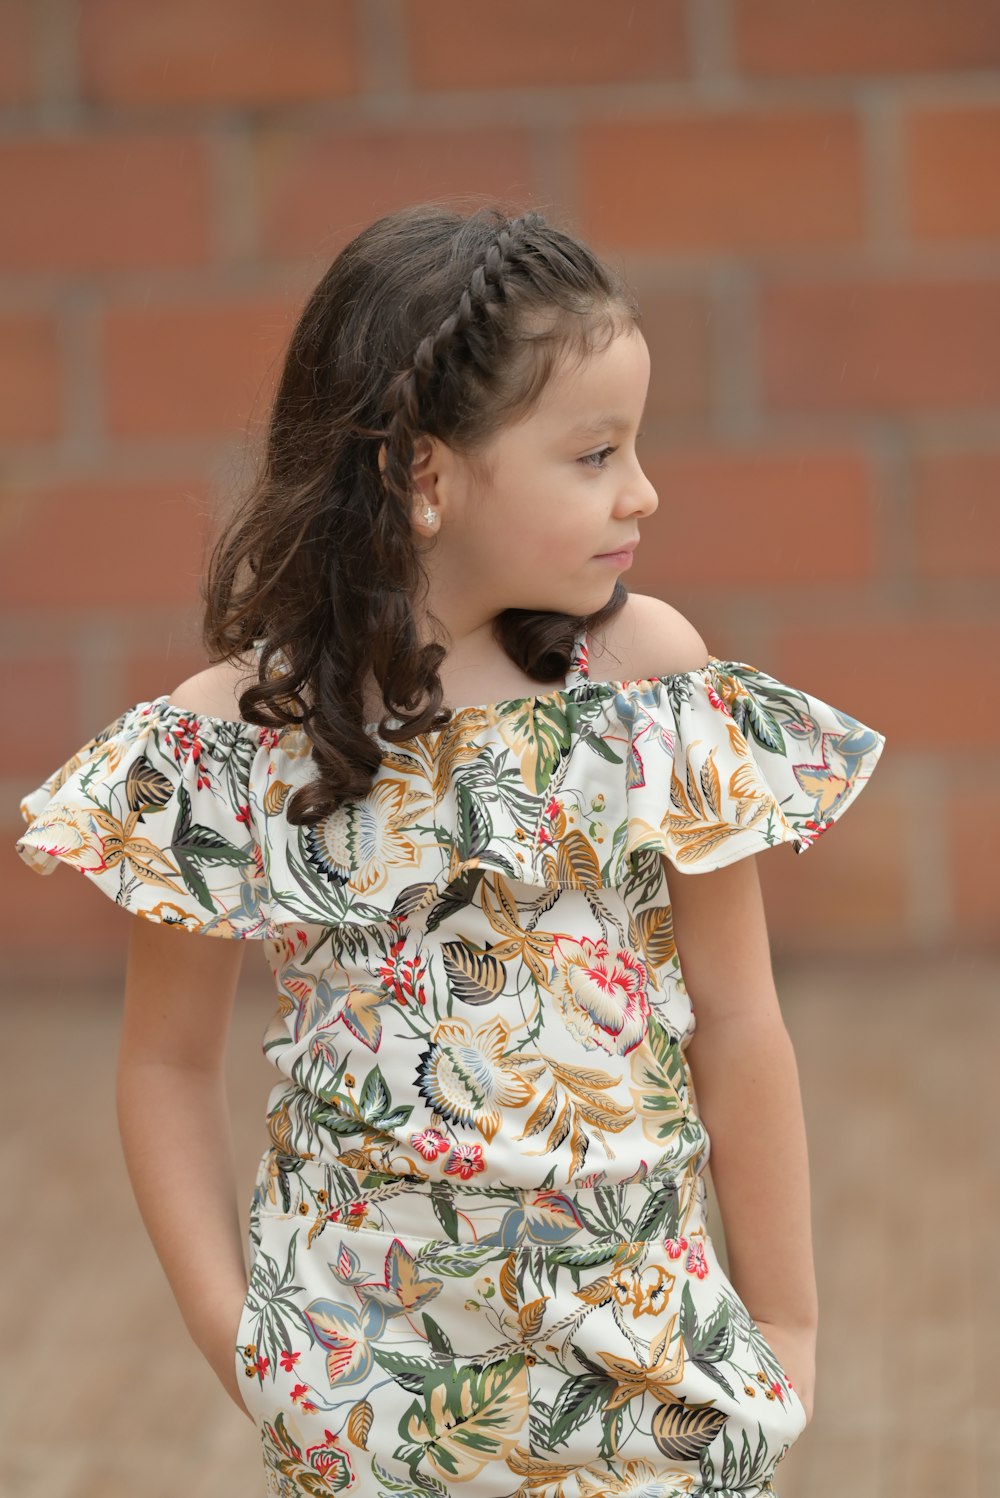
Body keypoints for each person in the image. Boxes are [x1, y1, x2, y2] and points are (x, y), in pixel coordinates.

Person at [15, 202, 885, 1498]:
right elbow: (164, 1063)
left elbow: (740, 1018)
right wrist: (246, 1342)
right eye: (594, 452)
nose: (642, 489)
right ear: (421, 473)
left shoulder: (648, 682)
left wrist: (792, 1321)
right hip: (371, 1388)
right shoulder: (233, 742)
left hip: (644, 1365)